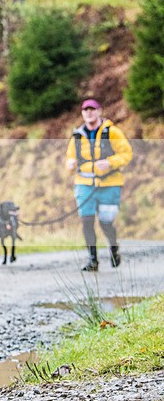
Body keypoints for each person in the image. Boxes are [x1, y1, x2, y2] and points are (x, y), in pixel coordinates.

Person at [66, 99, 132, 272]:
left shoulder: (113, 132)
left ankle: (113, 248)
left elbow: (126, 154)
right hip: (84, 184)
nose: (89, 113)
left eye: (92, 109)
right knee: (87, 221)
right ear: (82, 113)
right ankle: (92, 259)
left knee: (106, 222)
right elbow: (70, 158)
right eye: (85, 110)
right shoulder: (77, 135)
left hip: (109, 183)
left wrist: (110, 162)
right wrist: (70, 165)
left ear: (99, 111)